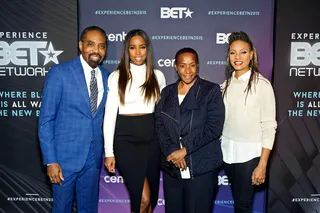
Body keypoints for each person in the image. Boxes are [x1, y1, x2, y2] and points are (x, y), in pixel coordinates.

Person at [38, 26, 109, 213]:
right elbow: (46, 120)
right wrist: (51, 160)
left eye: (101, 46)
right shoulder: (59, 73)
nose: (96, 50)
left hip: (93, 158)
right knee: (62, 208)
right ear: (80, 45)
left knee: (89, 209)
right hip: (63, 159)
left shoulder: (107, 77)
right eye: (91, 44)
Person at [155, 47, 225, 213]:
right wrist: (173, 151)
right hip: (172, 169)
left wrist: (184, 149)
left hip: (201, 167)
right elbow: (159, 124)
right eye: (182, 65)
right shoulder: (167, 92)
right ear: (175, 67)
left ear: (198, 66)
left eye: (192, 65)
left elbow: (214, 127)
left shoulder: (210, 91)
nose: (187, 71)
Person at [103, 29, 166, 213]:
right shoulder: (117, 76)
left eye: (142, 47)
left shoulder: (157, 76)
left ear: (148, 50)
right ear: (126, 50)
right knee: (142, 199)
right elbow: (109, 116)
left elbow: (162, 114)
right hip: (126, 142)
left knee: (151, 199)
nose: (137, 53)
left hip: (153, 142)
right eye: (132, 48)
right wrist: (109, 152)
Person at [221, 31, 277, 212]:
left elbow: (269, 127)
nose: (238, 57)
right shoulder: (225, 85)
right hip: (227, 153)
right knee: (238, 203)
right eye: (233, 52)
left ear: (251, 54)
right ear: (228, 56)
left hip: (250, 155)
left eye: (243, 52)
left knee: (243, 205)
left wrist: (262, 165)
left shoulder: (262, 85)